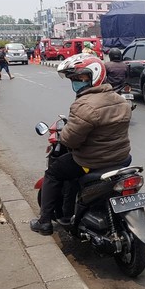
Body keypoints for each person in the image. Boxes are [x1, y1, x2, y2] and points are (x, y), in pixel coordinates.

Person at [30, 54, 132, 235]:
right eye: (74, 79)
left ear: (95, 75)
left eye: (80, 78)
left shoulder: (84, 105)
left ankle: (44, 221)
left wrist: (66, 134)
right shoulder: (121, 101)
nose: (76, 82)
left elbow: (70, 140)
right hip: (122, 158)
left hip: (91, 161)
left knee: (53, 174)